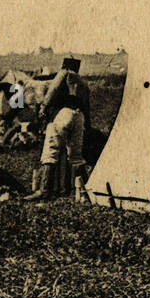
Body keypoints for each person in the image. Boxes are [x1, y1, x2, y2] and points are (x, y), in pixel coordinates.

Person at [24, 57, 91, 201]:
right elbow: (87, 106)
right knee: (76, 157)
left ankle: (44, 190)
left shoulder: (64, 73)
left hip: (63, 114)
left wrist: (44, 107)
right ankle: (84, 191)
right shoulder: (82, 83)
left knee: (50, 151)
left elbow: (53, 89)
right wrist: (88, 125)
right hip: (79, 116)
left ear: (64, 66)